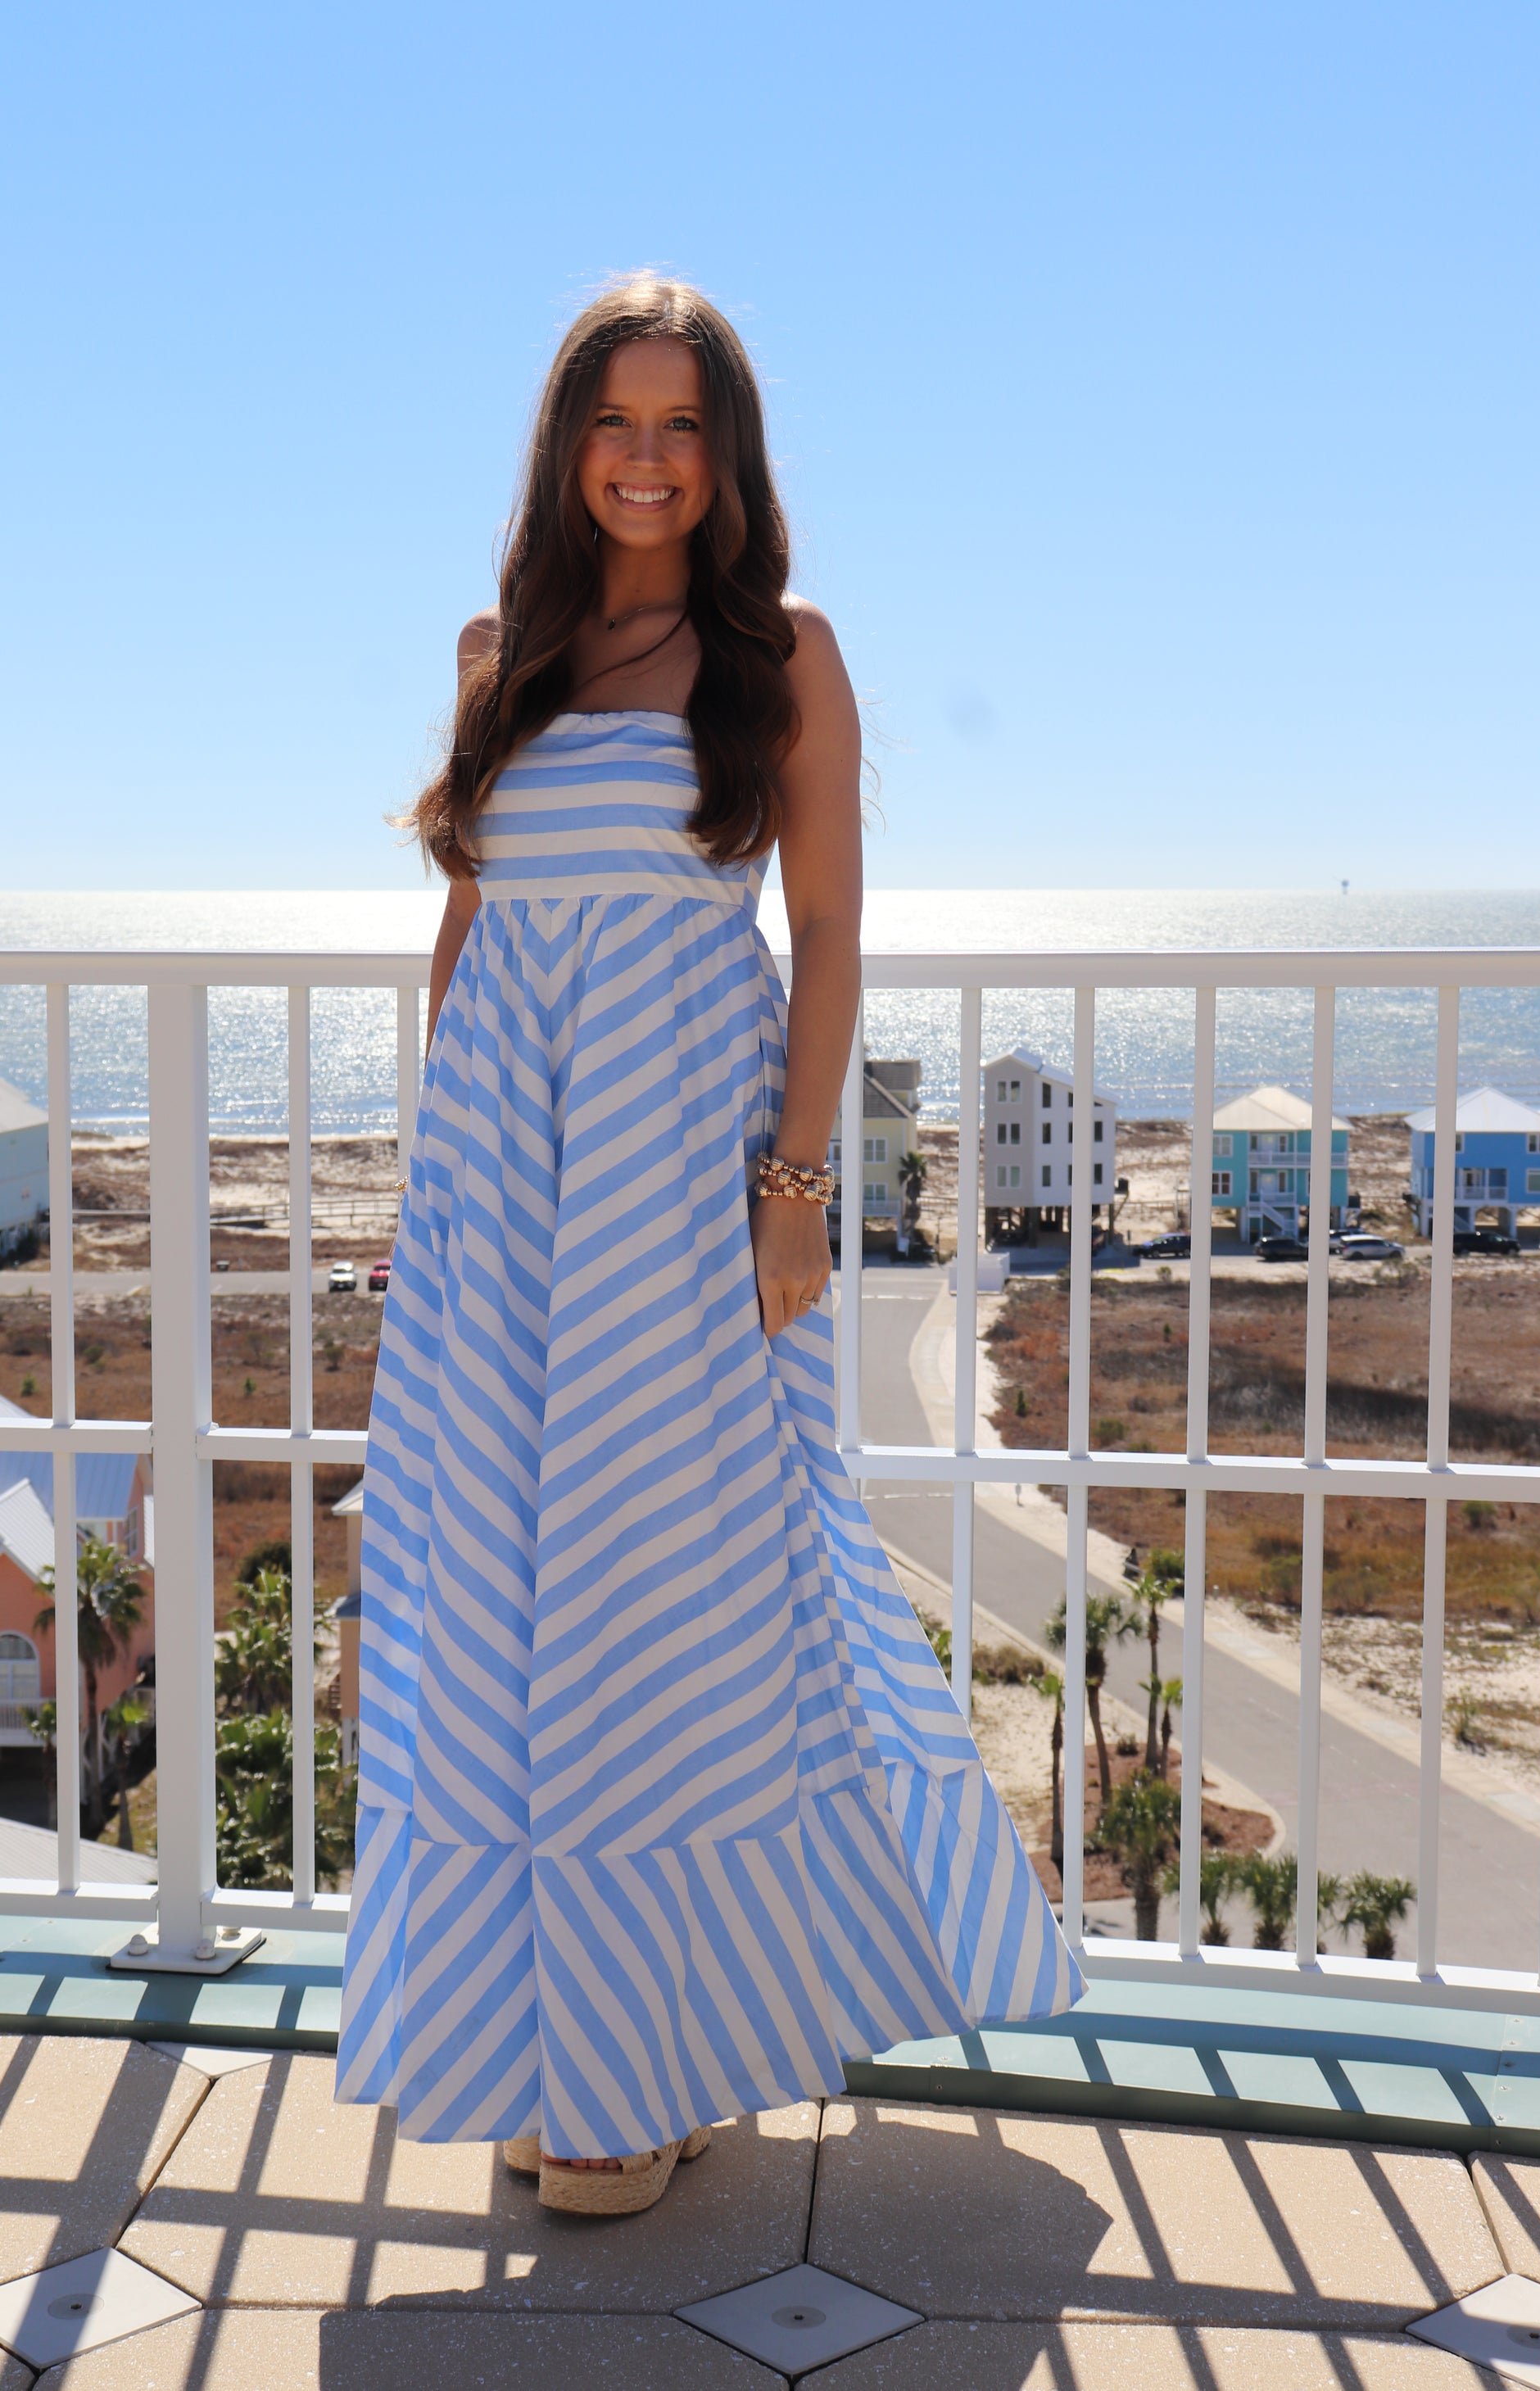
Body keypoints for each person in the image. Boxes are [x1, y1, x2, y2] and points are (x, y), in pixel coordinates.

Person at [334, 274, 1079, 2217]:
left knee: (664, 1595)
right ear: (566, 446)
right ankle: (559, 2039)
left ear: (727, 457)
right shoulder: (503, 649)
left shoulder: (782, 653)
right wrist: (436, 1192)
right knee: (505, 1599)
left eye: (682, 424)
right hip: (507, 1183)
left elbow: (825, 933)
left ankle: (639, 2060)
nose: (646, 457)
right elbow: (469, 931)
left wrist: (794, 1189)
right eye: (615, 420)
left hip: (679, 1172)